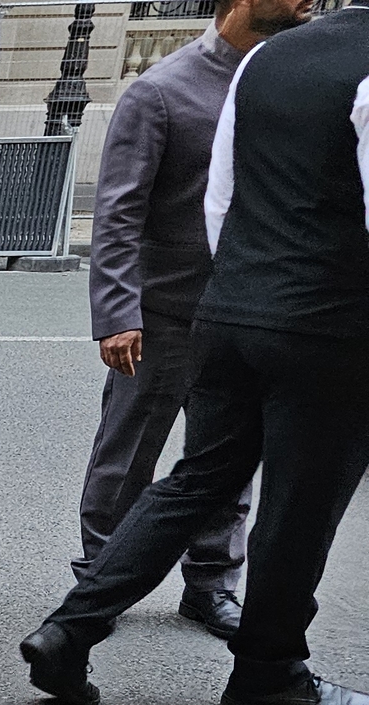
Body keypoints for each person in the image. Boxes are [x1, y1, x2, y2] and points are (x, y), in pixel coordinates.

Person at [21, 0, 369, 705]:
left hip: (229, 304)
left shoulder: (268, 63)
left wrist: (239, 286)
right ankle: (270, 669)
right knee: (295, 502)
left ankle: (72, 626)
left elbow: (221, 199)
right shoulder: (174, 86)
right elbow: (120, 209)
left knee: (199, 478)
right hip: (319, 320)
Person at [80, 0, 309, 639]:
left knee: (227, 457)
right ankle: (100, 575)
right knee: (128, 455)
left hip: (245, 312)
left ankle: (211, 585)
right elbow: (118, 212)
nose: (308, 2)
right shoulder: (160, 92)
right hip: (161, 317)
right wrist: (118, 313)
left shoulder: (288, 79)